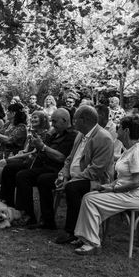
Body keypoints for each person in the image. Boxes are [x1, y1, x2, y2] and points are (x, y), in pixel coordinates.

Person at [72, 114, 139, 255]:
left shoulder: (138, 151)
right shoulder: (129, 149)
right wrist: (108, 186)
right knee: (90, 196)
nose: (116, 130)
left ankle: (92, 243)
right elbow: (124, 177)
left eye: (119, 127)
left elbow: (136, 182)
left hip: (136, 195)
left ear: (126, 131)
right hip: (126, 192)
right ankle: (86, 237)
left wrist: (112, 188)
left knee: (91, 200)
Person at [53, 105, 115, 245]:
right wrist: (63, 175)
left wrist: (72, 180)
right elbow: (70, 159)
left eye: (74, 119)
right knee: (48, 179)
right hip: (76, 177)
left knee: (72, 188)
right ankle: (46, 220)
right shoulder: (81, 134)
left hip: (97, 181)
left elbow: (96, 170)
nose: (72, 123)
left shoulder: (103, 137)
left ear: (83, 120)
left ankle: (71, 231)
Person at [11, 109, 79, 229]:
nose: (52, 124)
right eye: (51, 121)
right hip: (46, 166)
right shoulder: (55, 133)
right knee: (22, 175)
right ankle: (28, 215)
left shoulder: (72, 135)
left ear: (65, 121)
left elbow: (61, 157)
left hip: (59, 171)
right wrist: (38, 145)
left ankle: (48, 221)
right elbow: (43, 151)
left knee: (43, 179)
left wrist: (43, 146)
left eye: (55, 121)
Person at [0, 110, 51, 200]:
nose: (33, 119)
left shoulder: (44, 134)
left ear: (43, 120)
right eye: (32, 117)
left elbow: (33, 153)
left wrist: (15, 156)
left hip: (32, 162)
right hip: (22, 156)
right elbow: (25, 150)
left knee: (3, 163)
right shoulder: (32, 132)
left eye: (35, 117)